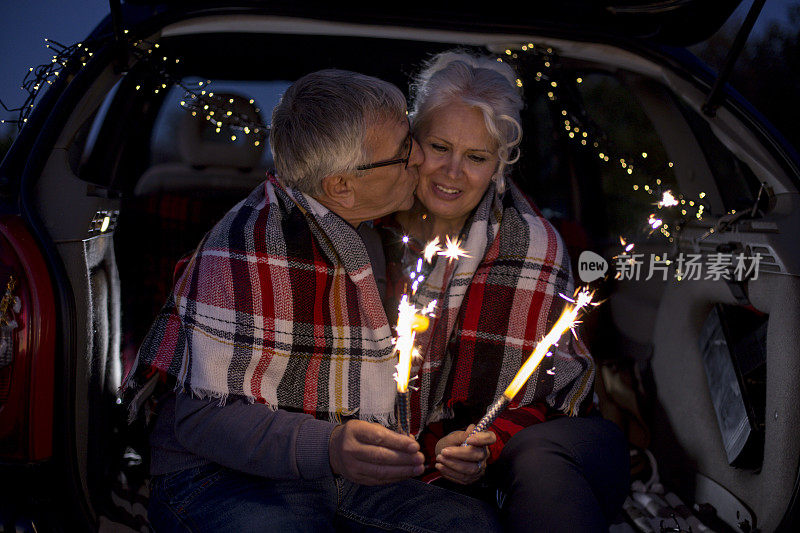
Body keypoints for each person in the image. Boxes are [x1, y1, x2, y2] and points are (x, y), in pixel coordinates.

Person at [125, 69, 503, 532]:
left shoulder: (366, 232)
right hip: (218, 475)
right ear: (341, 185)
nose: (423, 158)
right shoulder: (247, 250)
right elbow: (200, 420)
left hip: (339, 471)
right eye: (405, 150)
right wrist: (329, 447)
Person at [377, 51, 629, 531]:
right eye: (438, 146)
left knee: (539, 461)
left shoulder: (530, 243)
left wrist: (476, 445)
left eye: (476, 157)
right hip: (381, 446)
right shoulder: (366, 225)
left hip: (523, 440)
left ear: (499, 165)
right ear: (411, 143)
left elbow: (542, 394)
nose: (453, 171)